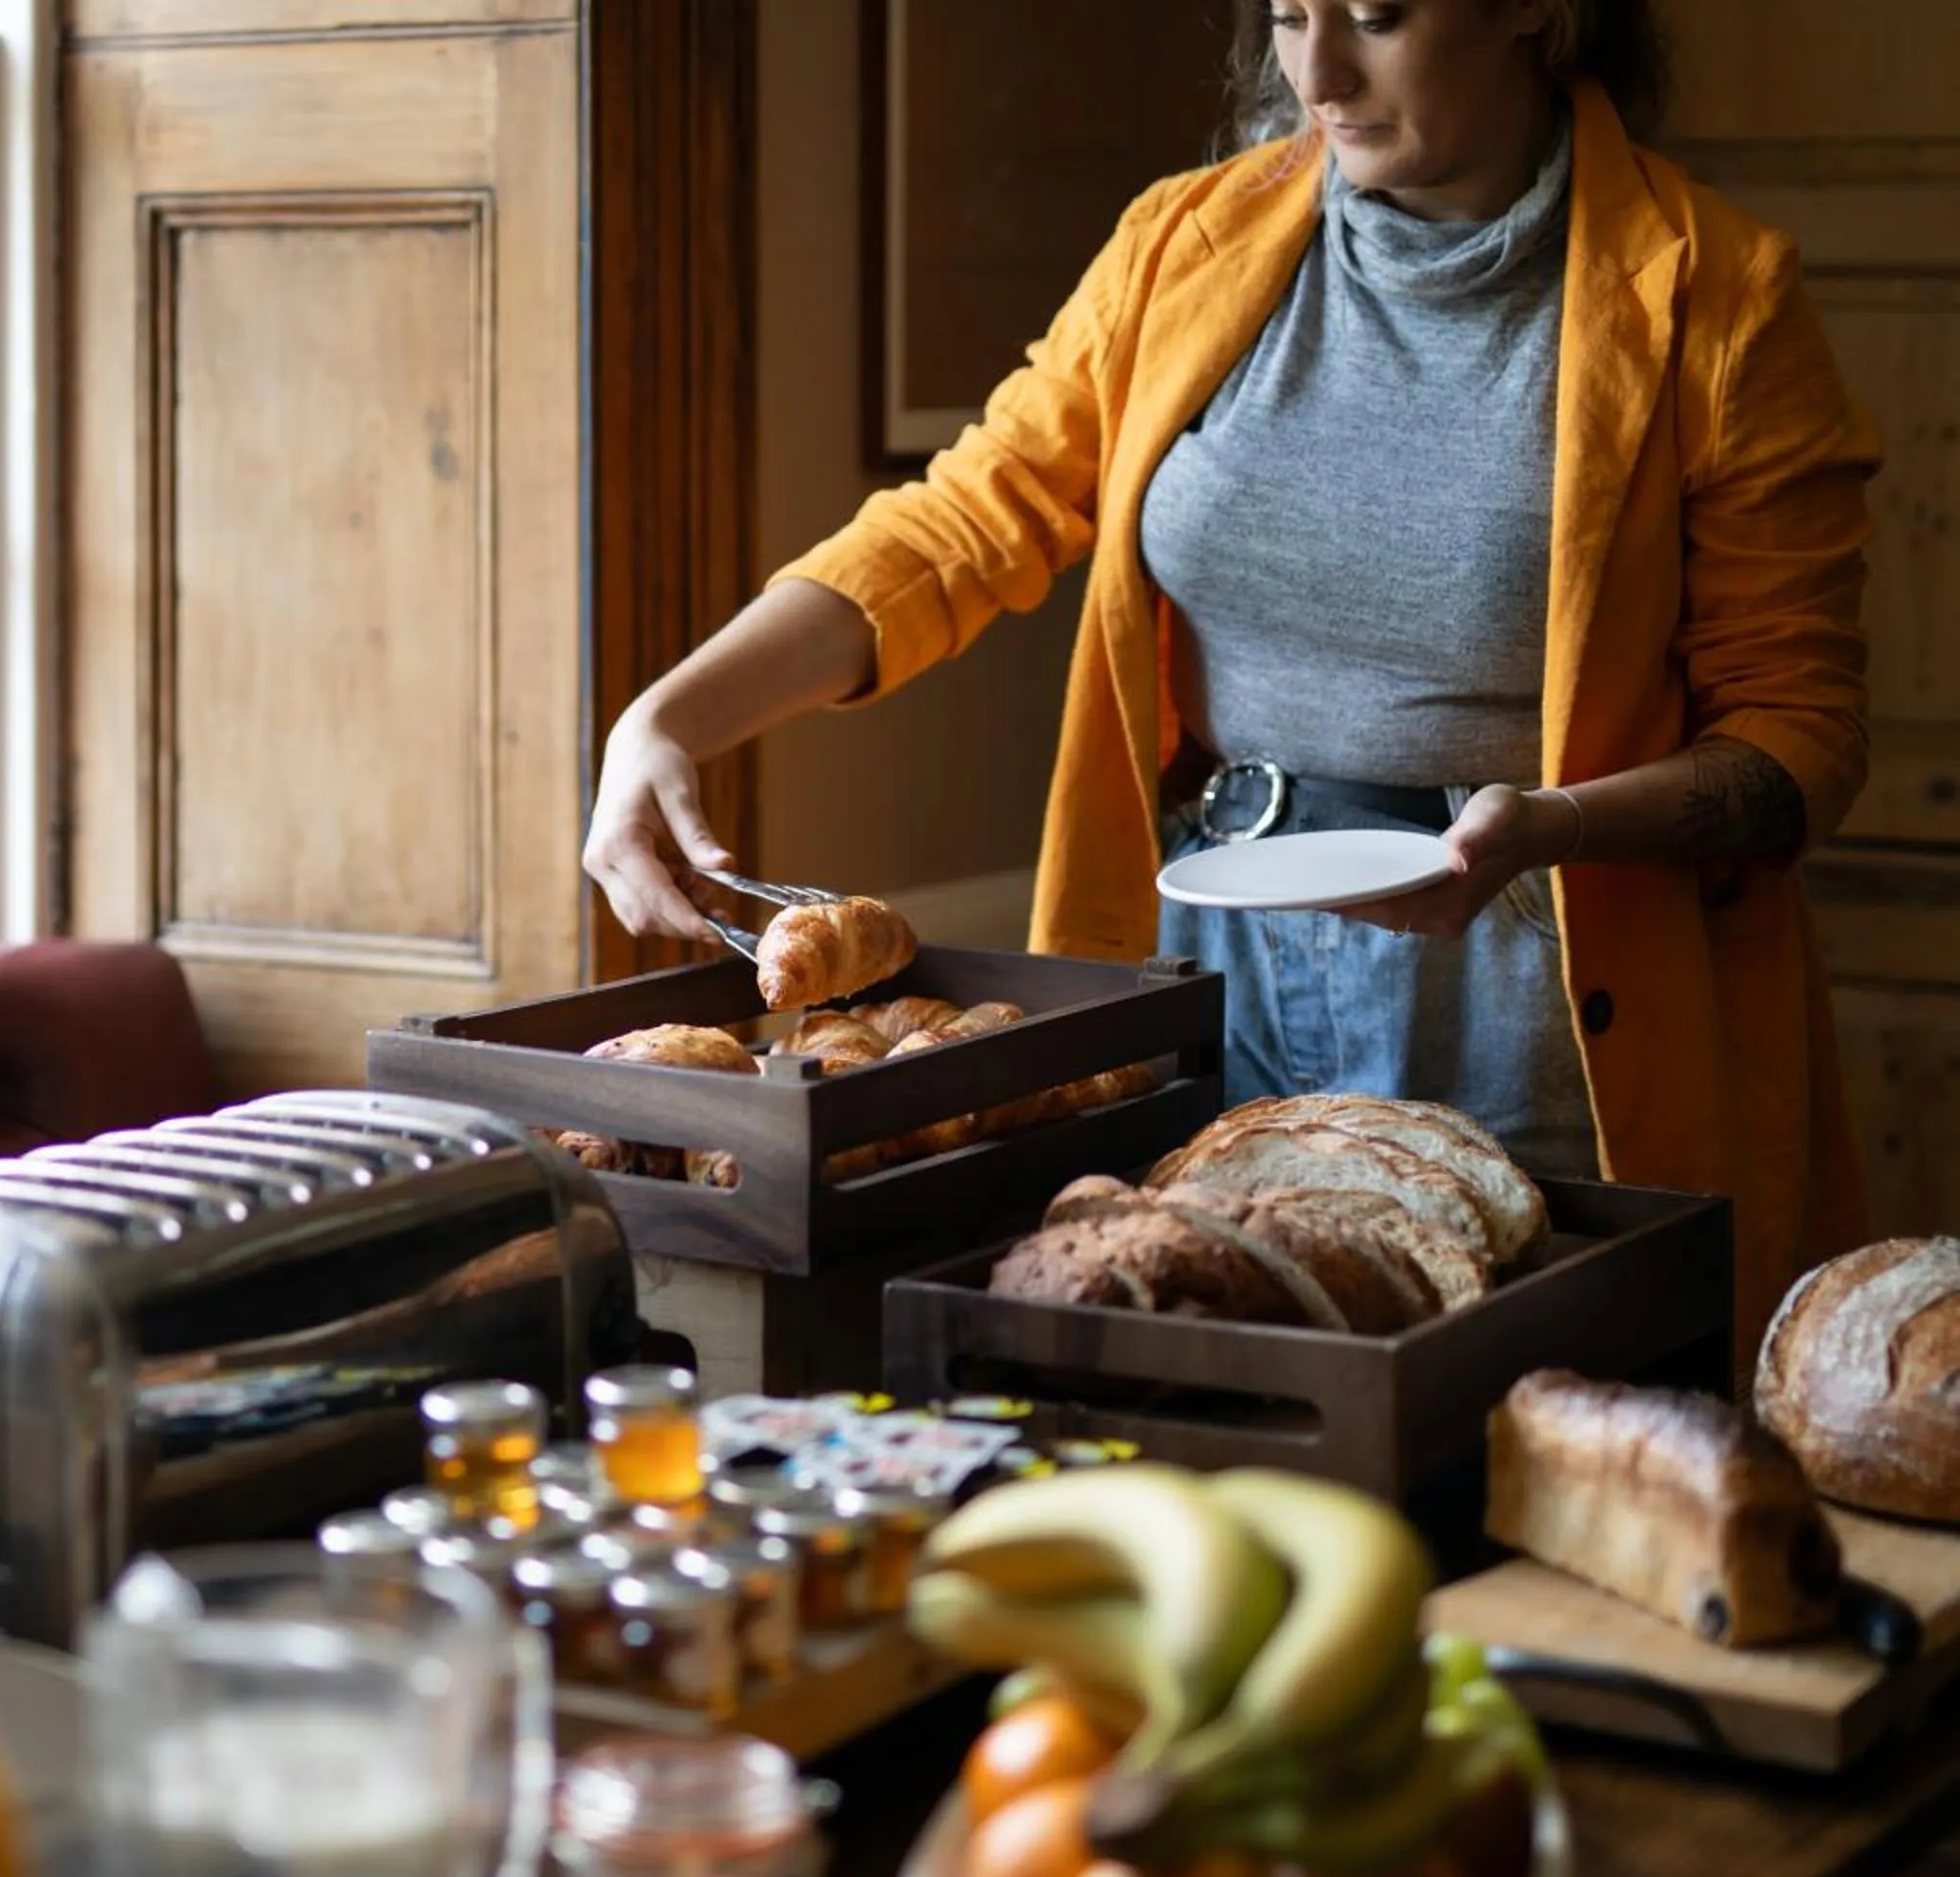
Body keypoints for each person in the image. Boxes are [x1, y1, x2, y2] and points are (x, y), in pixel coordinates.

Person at [580, 0, 1879, 1373]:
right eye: (1287, 13)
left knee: (1517, 1418)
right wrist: (669, 717)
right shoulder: (1182, 243)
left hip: (1534, 979)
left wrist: (1553, 827)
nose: (1316, 73)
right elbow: (967, 519)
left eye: (1374, 15)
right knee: (1207, 1396)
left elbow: (1798, 736)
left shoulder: (1718, 294)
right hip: (1215, 954)